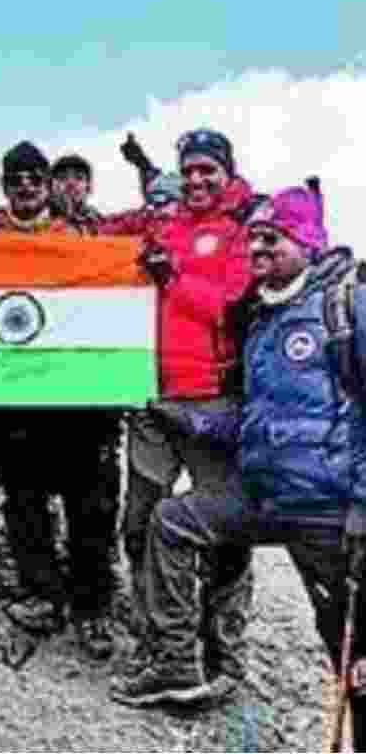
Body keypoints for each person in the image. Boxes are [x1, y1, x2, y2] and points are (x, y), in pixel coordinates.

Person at [113, 185, 363, 716]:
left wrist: (362, 503)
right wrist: (183, 415)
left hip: (332, 510)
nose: (259, 247)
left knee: (351, 653)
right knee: (173, 521)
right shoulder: (261, 320)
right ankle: (176, 667)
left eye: (274, 237)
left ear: (308, 241)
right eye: (253, 239)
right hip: (266, 498)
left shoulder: (347, 305)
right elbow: (256, 415)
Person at [113, 129, 257, 693]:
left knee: (220, 530)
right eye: (189, 170)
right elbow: (109, 241)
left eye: (207, 171)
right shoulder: (164, 224)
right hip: (151, 400)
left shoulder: (245, 229)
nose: (197, 180)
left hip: (213, 403)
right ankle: (166, 653)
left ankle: (225, 655)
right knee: (140, 524)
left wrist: (173, 276)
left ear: (227, 172)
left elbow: (233, 308)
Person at [0, 142, 122, 659]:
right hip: (13, 399)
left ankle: (93, 606)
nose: (25, 186)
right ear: (5, 185)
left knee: (91, 506)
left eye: (34, 178)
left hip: (79, 402)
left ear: (46, 186)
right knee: (24, 503)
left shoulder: (84, 240)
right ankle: (41, 592)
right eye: (15, 178)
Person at [50, 153, 102, 230]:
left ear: (89, 187)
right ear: (52, 186)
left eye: (79, 178)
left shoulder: (99, 222)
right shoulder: (41, 221)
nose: (71, 183)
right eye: (62, 178)